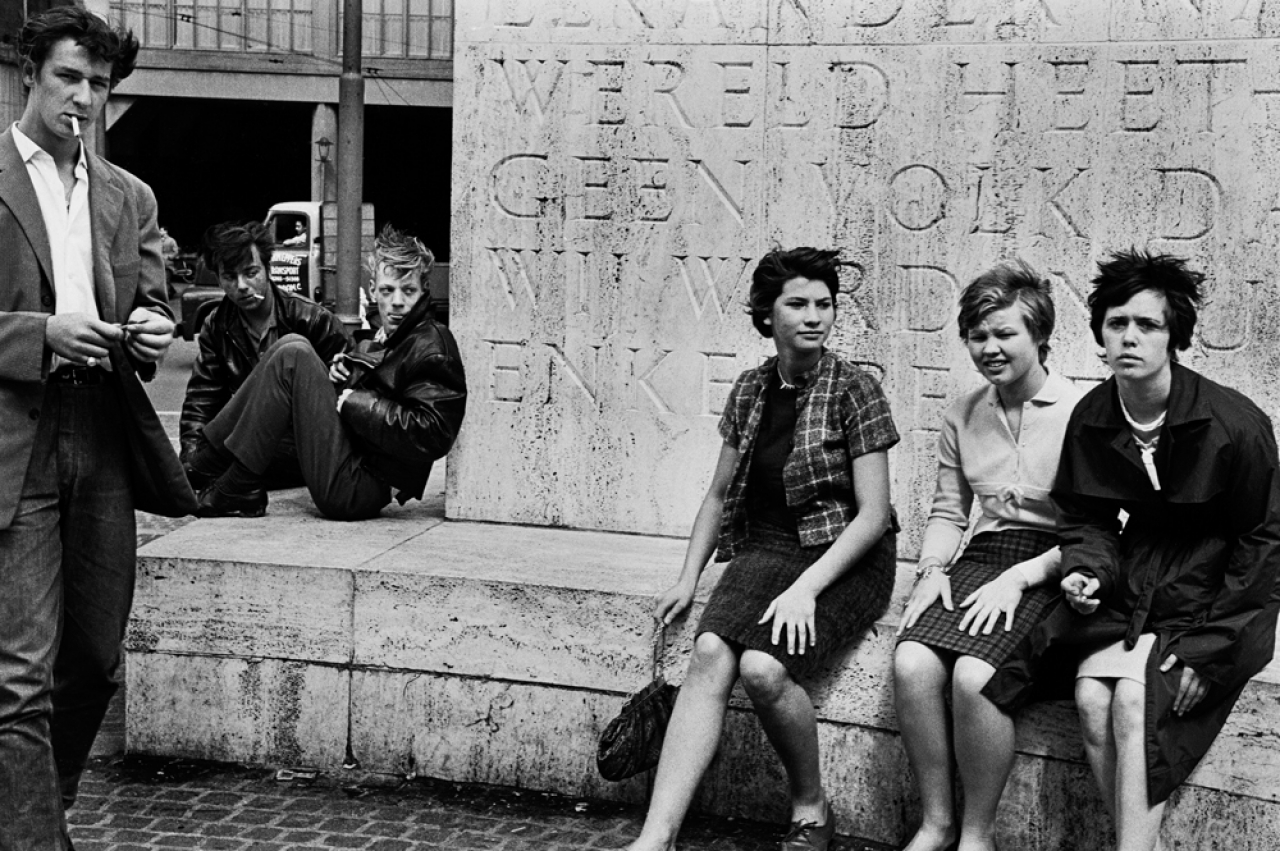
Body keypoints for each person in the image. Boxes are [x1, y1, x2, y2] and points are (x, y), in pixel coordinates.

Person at [983, 250, 1280, 851]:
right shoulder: (1095, 414)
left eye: (1148, 324)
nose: (1130, 337)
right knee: (1091, 697)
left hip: (1219, 590)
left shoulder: (1234, 423)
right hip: (1138, 574)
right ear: (1100, 332)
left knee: (1137, 705)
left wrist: (1210, 652)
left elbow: (1265, 541)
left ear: (1174, 338)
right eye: (1117, 323)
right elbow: (1085, 516)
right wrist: (1088, 572)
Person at [626, 248, 899, 851]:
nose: (814, 317)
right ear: (767, 314)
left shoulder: (856, 389)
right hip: (770, 546)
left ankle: (810, 807)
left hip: (847, 551)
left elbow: (874, 516)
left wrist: (806, 589)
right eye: (797, 304)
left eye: (824, 304)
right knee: (708, 651)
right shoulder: (751, 389)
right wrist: (687, 577)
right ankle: (657, 837)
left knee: (763, 668)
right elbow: (719, 494)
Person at [0, 7, 180, 849]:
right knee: (19, 675)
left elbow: (156, 302)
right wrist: (41, 334)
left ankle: (35, 808)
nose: (82, 96)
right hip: (16, 435)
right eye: (68, 77)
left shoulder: (128, 195)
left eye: (98, 84)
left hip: (102, 429)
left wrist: (151, 328)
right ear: (30, 74)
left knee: (96, 658)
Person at [893, 262, 1082, 851]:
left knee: (976, 676)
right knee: (912, 662)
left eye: (1005, 333)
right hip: (985, 554)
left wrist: (1024, 579)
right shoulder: (963, 413)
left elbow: (1101, 531)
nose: (990, 348)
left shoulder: (1083, 412)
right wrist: (931, 571)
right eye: (978, 336)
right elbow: (949, 511)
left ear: (1039, 336)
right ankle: (936, 824)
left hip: (1055, 563)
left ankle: (977, 836)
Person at [184, 224, 466, 519]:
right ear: (373, 290)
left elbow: (434, 433)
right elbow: (201, 395)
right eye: (387, 290)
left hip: (360, 486)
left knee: (294, 352)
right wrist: (345, 375)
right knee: (291, 347)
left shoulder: (433, 343)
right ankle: (209, 468)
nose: (397, 301)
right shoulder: (390, 337)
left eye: (408, 290)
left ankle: (224, 476)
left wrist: (354, 401)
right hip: (352, 463)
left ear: (424, 291)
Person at [180, 221, 348, 488]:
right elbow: (202, 397)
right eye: (229, 277)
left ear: (267, 269)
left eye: (251, 273)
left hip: (306, 444)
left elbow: (348, 394)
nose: (242, 286)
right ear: (218, 279)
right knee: (187, 469)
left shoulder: (312, 319)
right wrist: (190, 455)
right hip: (253, 440)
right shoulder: (217, 325)